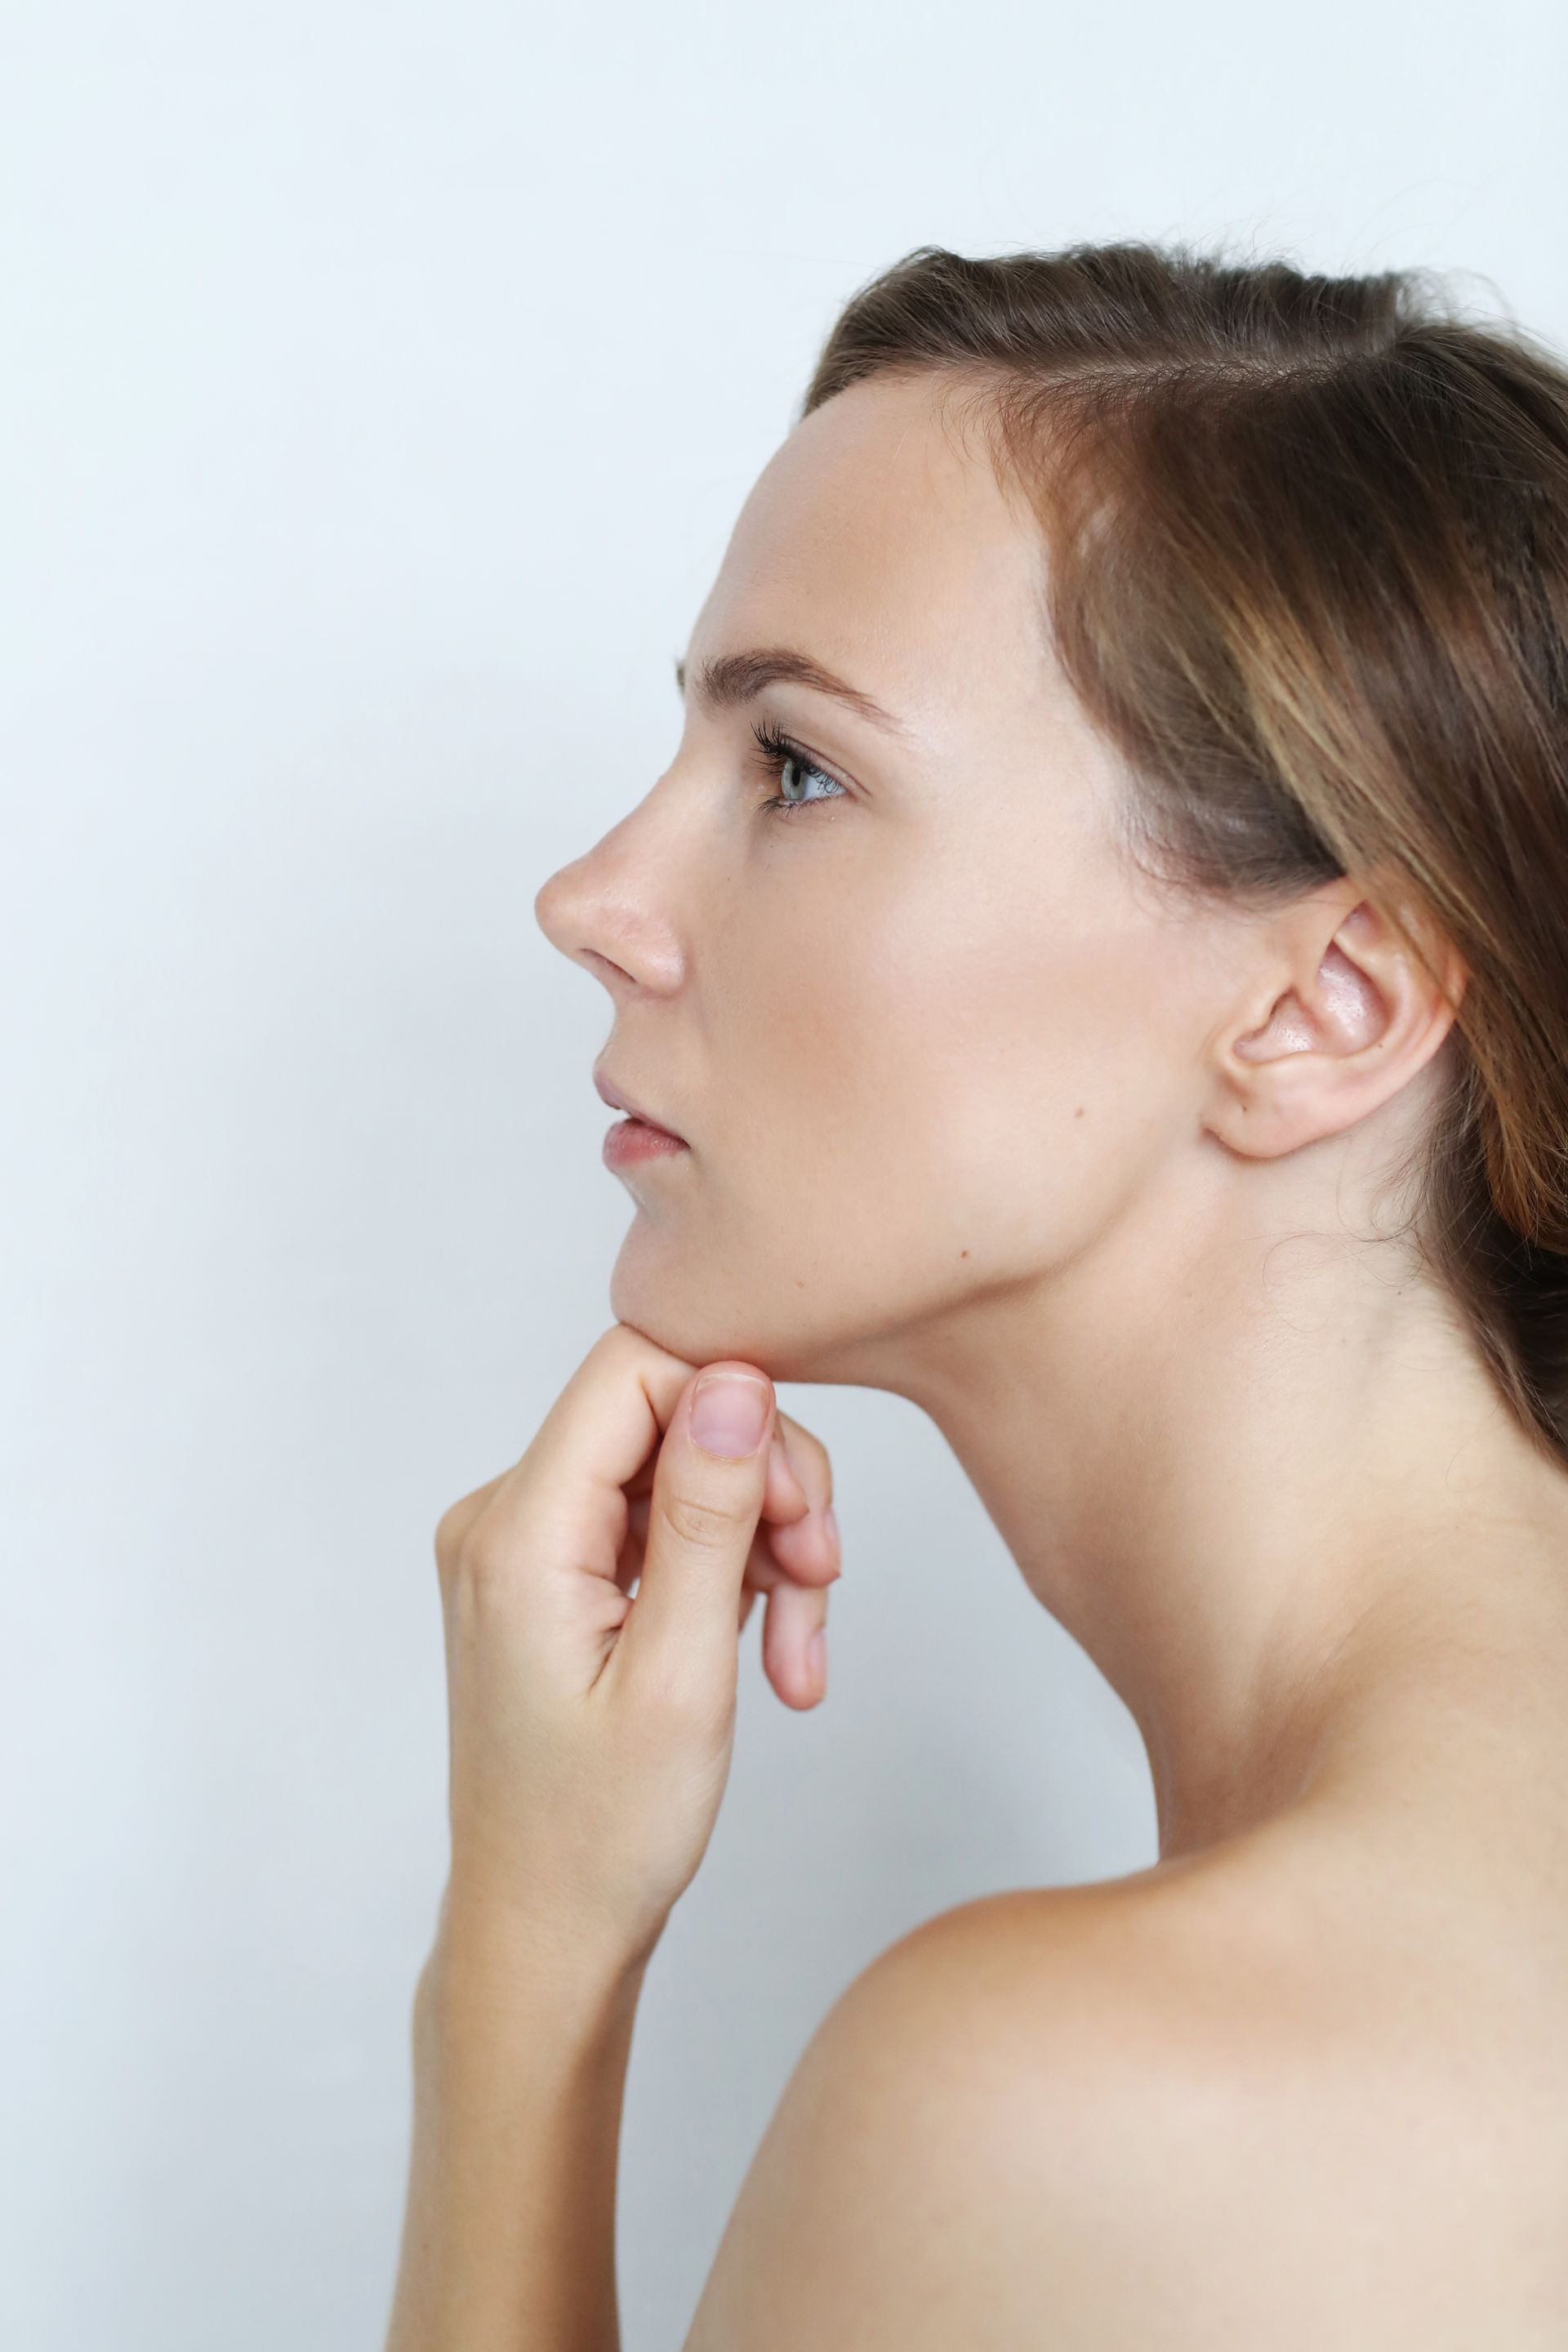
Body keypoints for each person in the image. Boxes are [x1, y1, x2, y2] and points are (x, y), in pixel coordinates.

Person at [383, 244, 1568, 2347]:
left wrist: (522, 1965)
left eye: (800, 773)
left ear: (1328, 1001)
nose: (594, 902)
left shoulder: (1089, 2101)